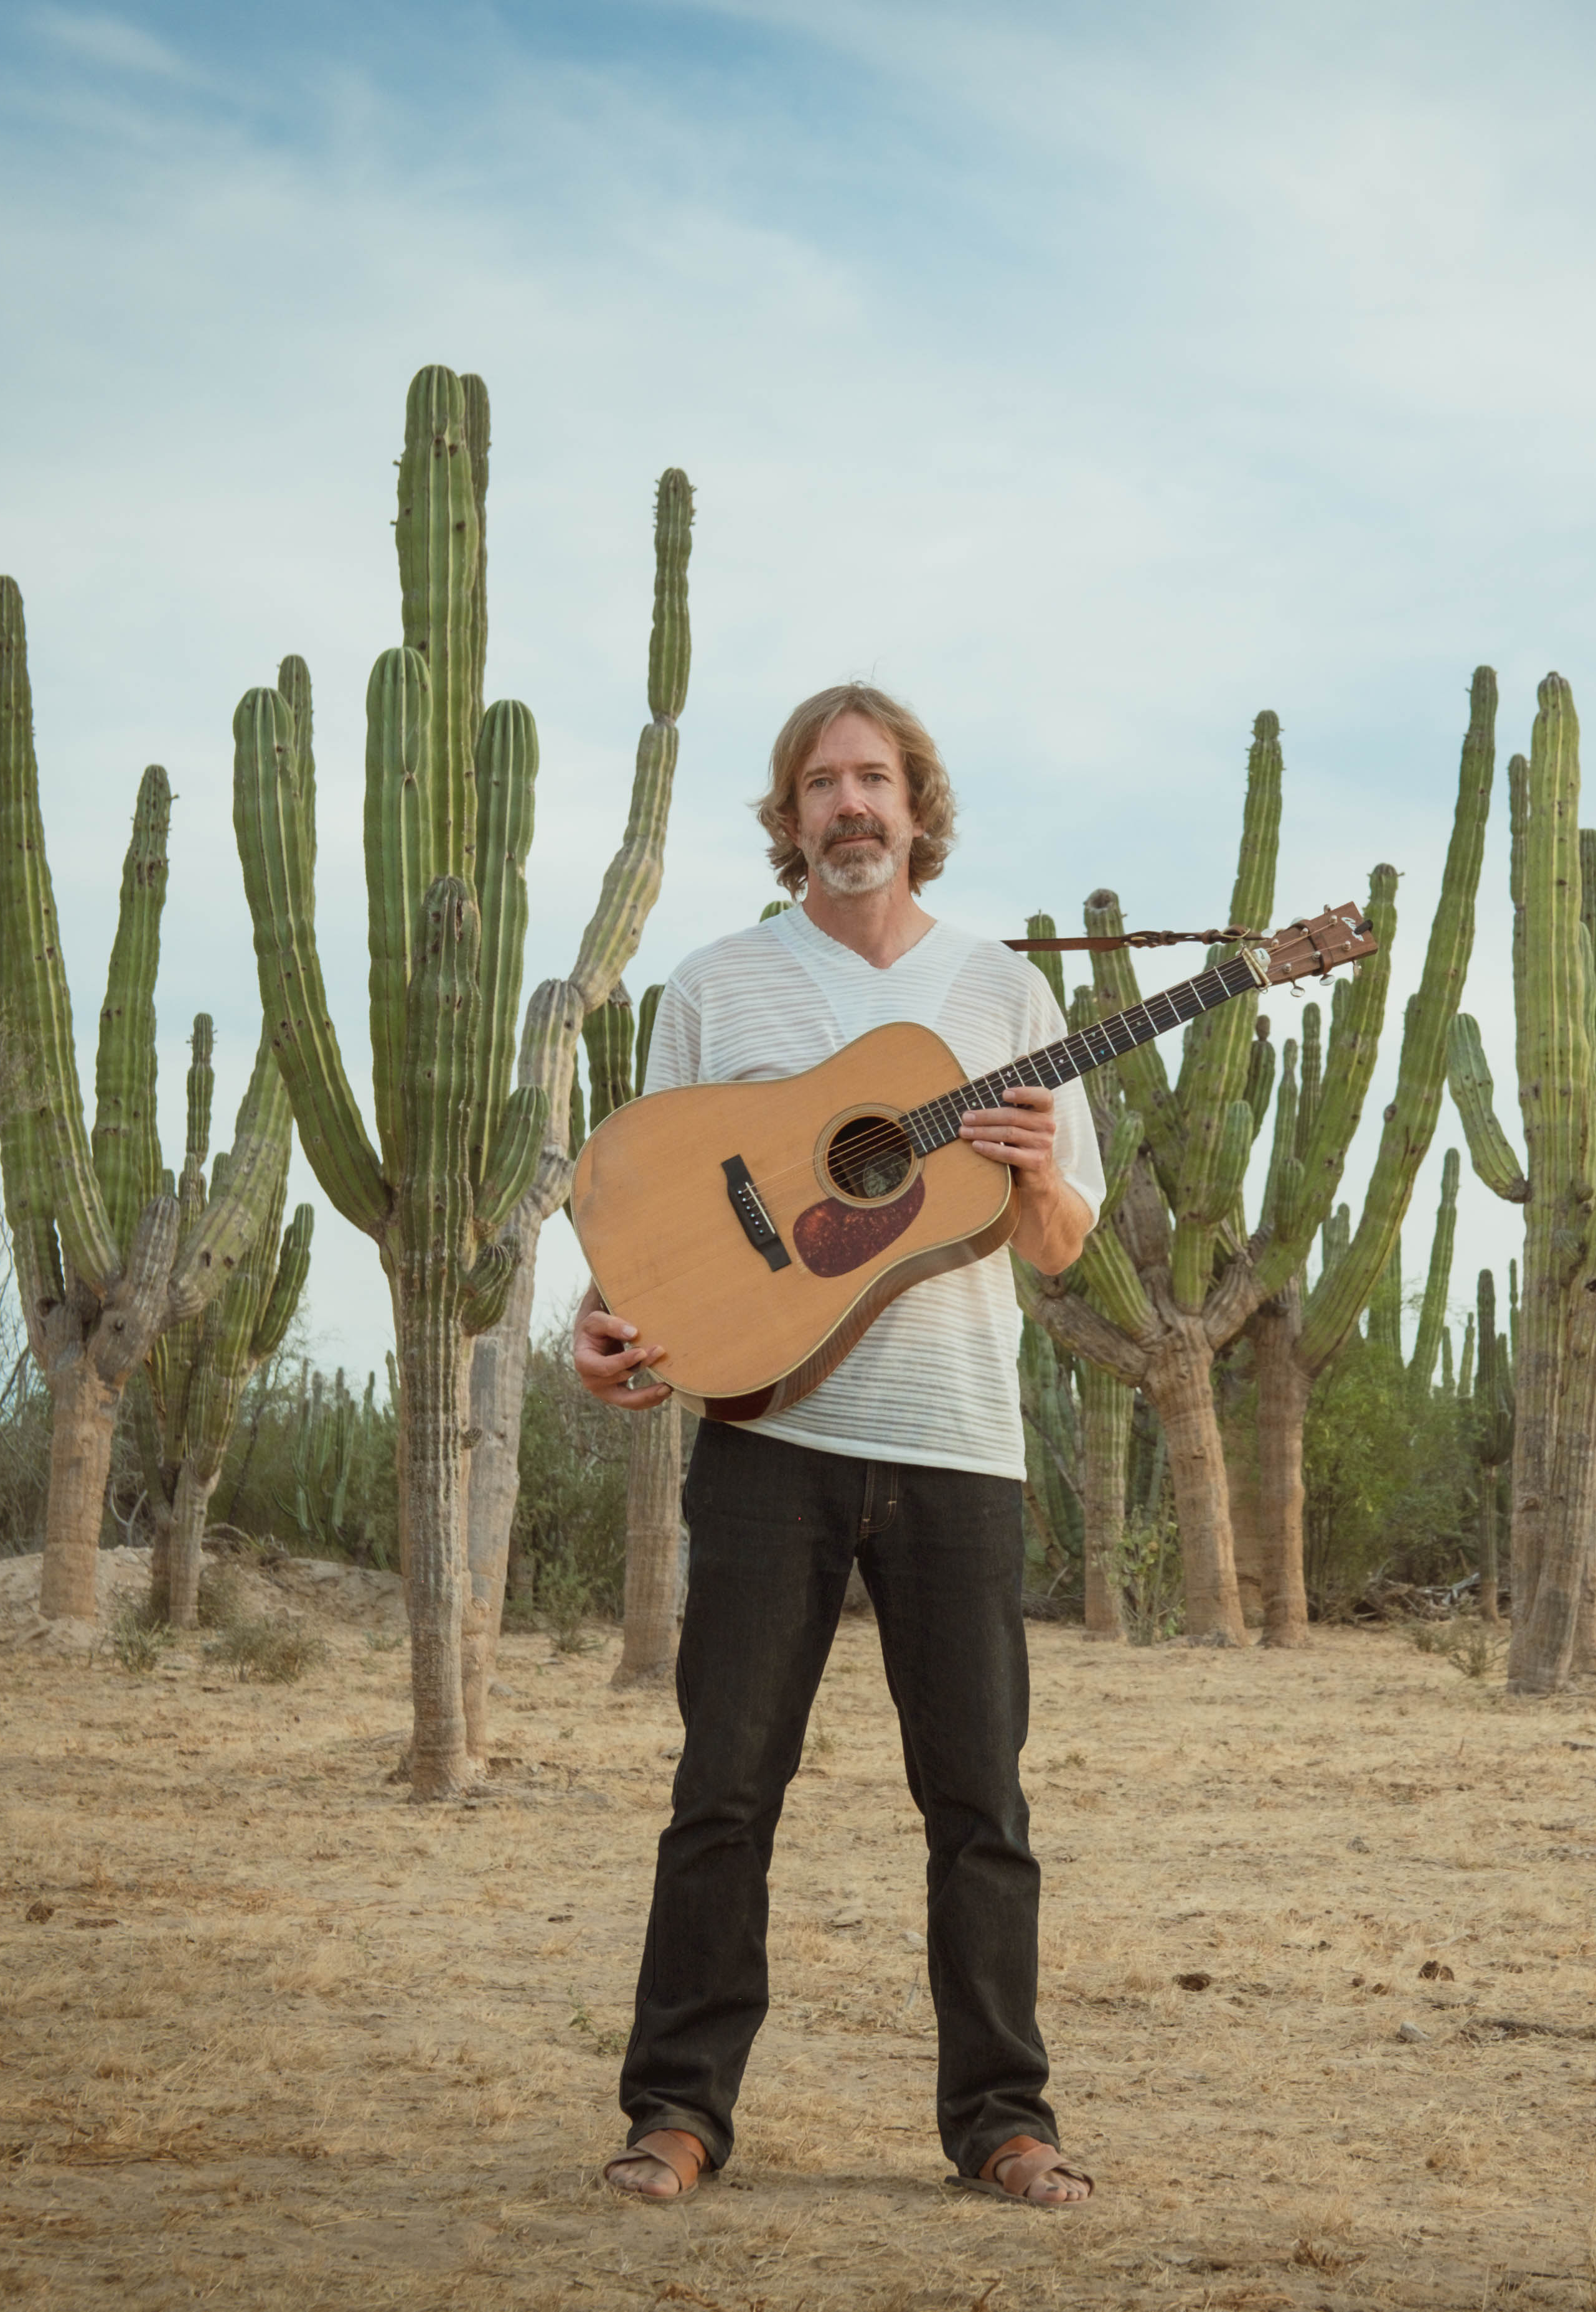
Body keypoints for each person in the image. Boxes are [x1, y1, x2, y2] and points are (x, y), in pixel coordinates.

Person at [577, 682, 1101, 2209]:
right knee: (724, 1787)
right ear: (789, 816)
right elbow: (649, 1205)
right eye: (822, 784)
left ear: (917, 807)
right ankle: (675, 2117)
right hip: (767, 1437)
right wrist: (600, 1327)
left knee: (979, 1807)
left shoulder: (1005, 997)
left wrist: (1030, 1179)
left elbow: (1062, 1245)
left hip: (957, 1447)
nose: (850, 806)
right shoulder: (716, 986)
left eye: (874, 779)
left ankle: (1004, 2123)